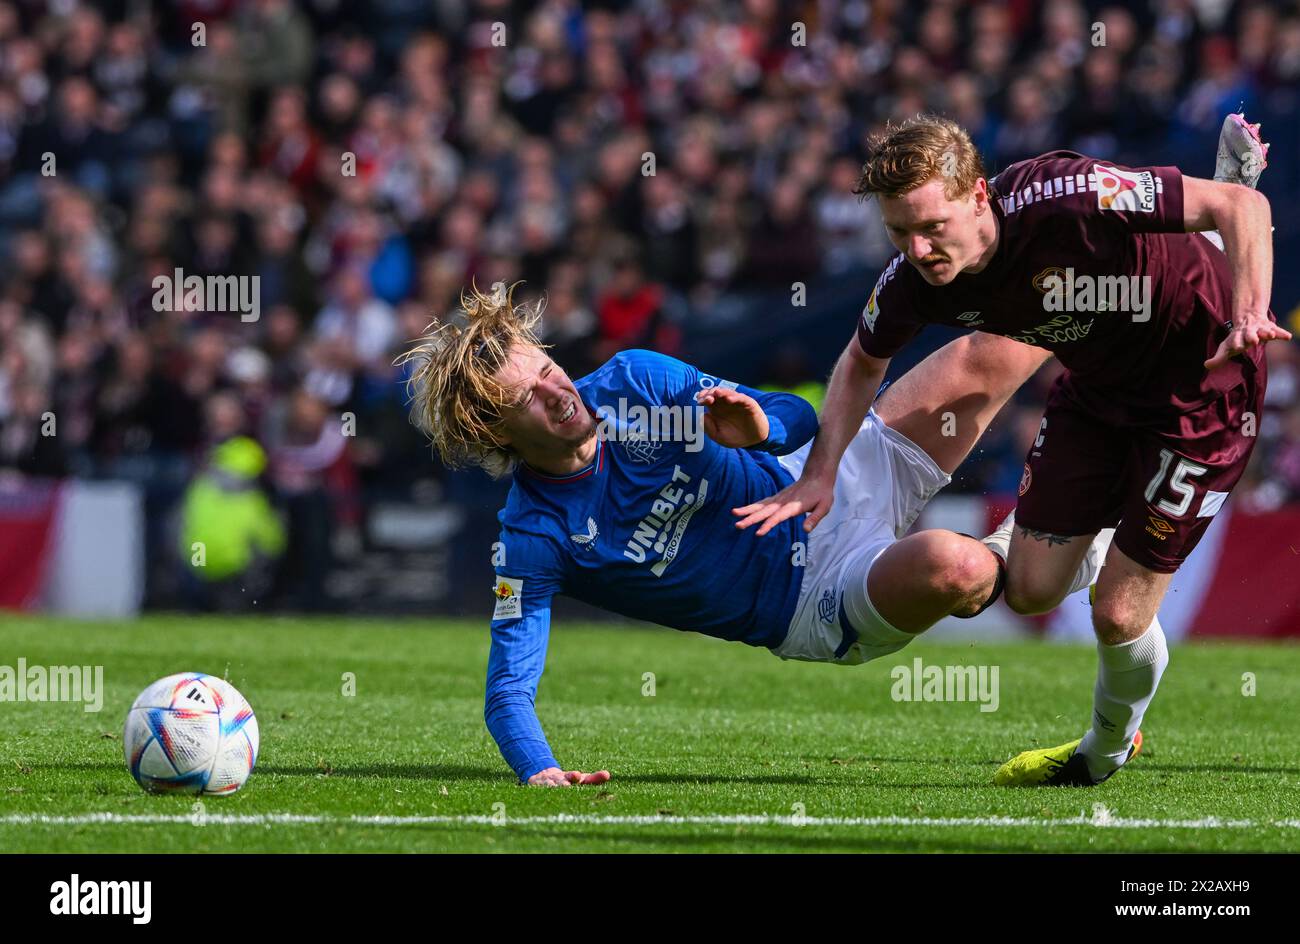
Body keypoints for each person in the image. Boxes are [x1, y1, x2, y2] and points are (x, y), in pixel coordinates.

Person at [733, 113, 1285, 786]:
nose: (919, 248)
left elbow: (1243, 205)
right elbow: (859, 360)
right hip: (1099, 390)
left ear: (978, 196)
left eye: (932, 227)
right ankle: (1124, 538)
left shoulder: (1070, 195)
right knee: (1028, 590)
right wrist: (821, 474)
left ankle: (1104, 753)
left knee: (1116, 613)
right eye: (899, 232)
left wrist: (1251, 312)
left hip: (1202, 387)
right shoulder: (916, 278)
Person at [400, 285, 1111, 786]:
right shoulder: (535, 535)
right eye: (529, 397)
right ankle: (1044, 555)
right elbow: (507, 693)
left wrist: (762, 427)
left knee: (1000, 342)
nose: (560, 392)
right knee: (953, 568)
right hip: (814, 596)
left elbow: (800, 419)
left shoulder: (634, 384)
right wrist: (540, 771)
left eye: (549, 370)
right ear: (493, 431)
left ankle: (1180, 288)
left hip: (822, 474)